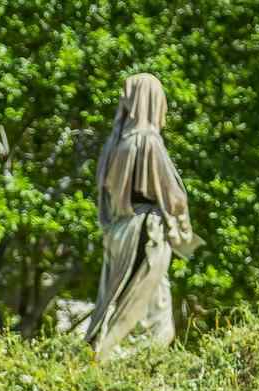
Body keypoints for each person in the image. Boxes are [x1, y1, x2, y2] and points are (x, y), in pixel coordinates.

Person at [82, 72, 201, 357]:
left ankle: (105, 358)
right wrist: (183, 228)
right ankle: (126, 368)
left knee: (115, 303)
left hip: (119, 231)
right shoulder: (148, 142)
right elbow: (173, 195)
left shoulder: (114, 146)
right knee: (156, 324)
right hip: (145, 235)